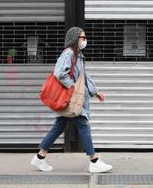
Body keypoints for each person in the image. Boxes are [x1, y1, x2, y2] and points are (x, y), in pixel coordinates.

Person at [31, 27, 113, 173]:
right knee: (83, 125)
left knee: (59, 127)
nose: (84, 40)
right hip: (72, 98)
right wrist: (73, 88)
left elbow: (83, 76)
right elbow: (60, 73)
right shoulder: (69, 53)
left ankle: (40, 157)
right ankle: (94, 161)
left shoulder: (77, 54)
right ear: (75, 39)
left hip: (72, 98)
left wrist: (95, 91)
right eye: (82, 37)